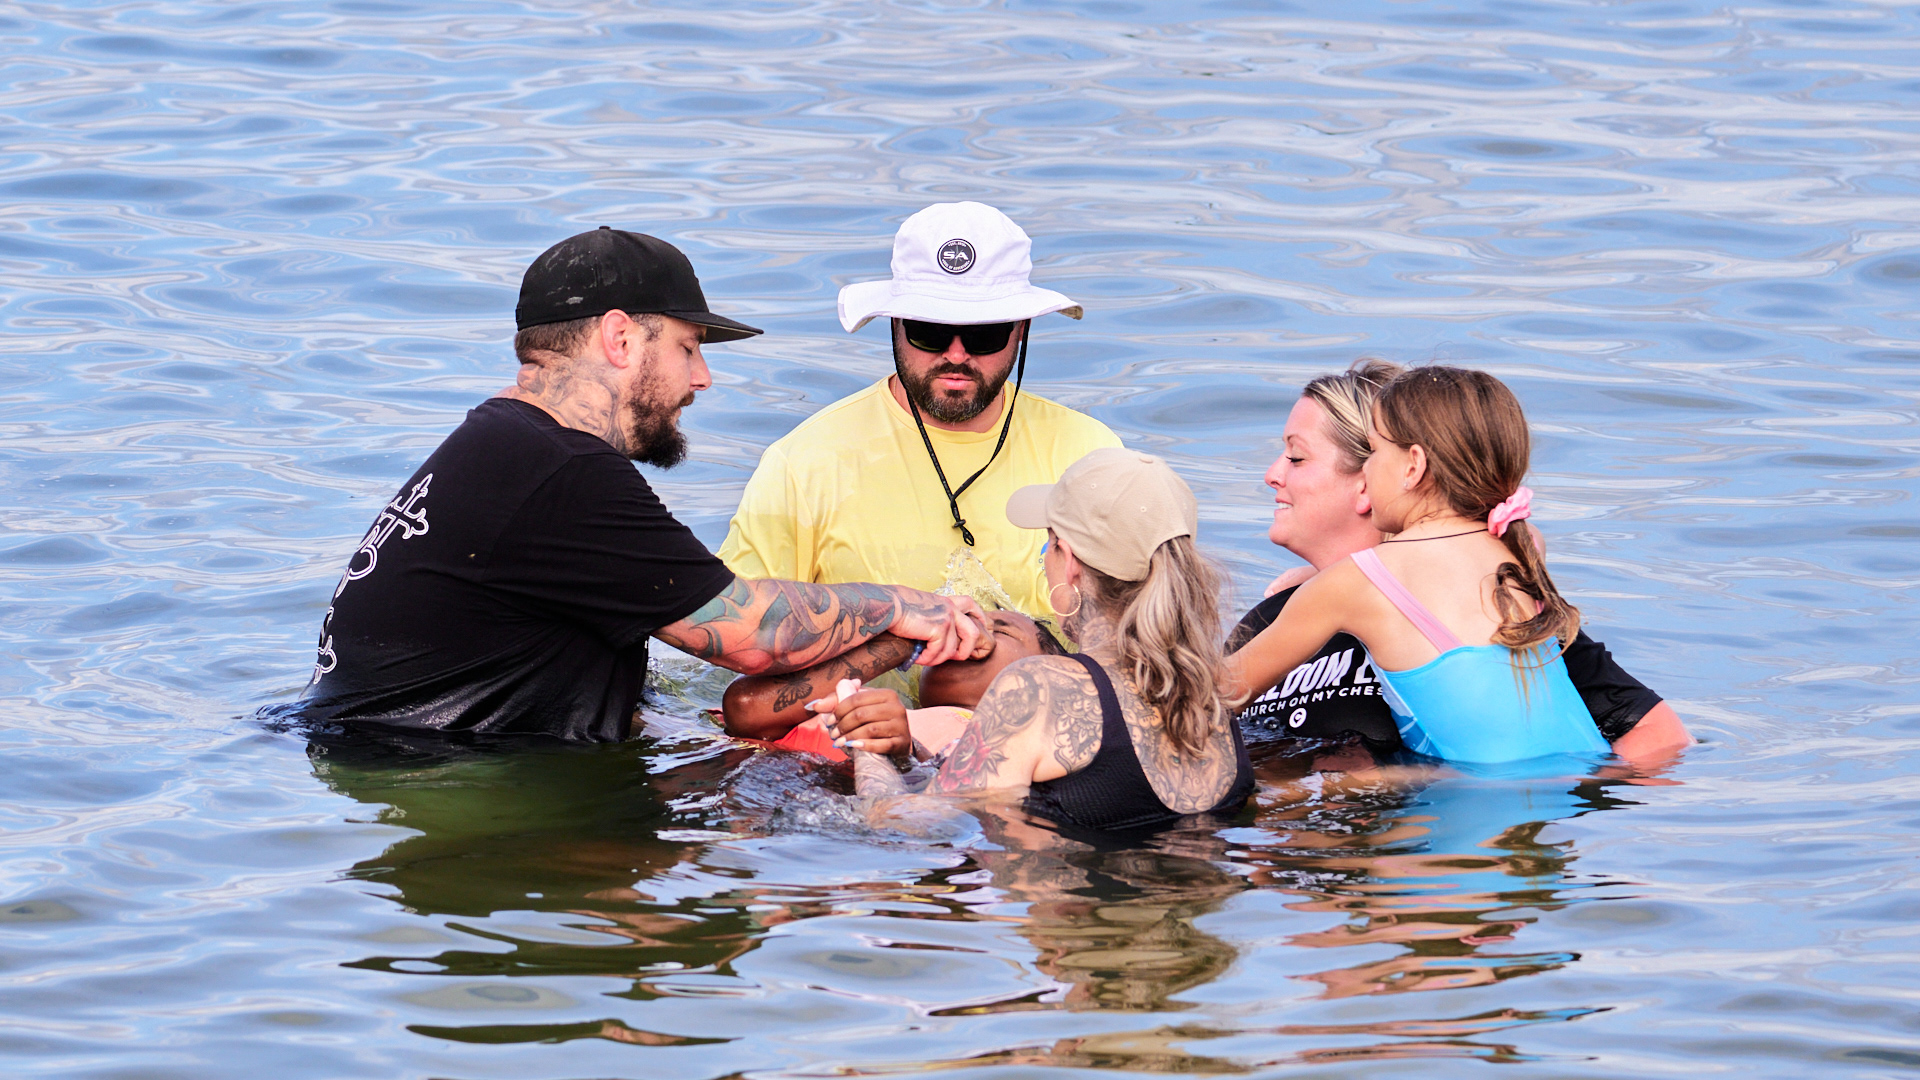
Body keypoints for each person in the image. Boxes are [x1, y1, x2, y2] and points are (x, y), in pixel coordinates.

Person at [294, 227, 983, 742]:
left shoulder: (500, 447)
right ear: (620, 339)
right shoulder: (561, 470)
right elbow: (753, 633)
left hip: (388, 757)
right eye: (689, 348)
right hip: (446, 779)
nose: (702, 379)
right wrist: (906, 606)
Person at [1230, 360, 1692, 762]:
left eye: (1374, 453)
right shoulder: (1512, 555)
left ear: (1413, 466)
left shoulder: (1351, 586)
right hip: (1560, 803)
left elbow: (1218, 693)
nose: (1368, 472)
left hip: (1469, 816)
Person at [717, 202, 1121, 632]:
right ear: (895, 324)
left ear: (1021, 329)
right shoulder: (803, 464)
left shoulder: (1091, 455)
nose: (956, 355)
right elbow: (739, 631)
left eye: (984, 334)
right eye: (929, 331)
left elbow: (1139, 634)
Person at [826, 447, 1255, 832]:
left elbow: (902, 826)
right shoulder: (1210, 700)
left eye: (1046, 549)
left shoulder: (1038, 689)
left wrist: (866, 748)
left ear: (1070, 563)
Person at [718, 609, 1066, 758]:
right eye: (964, 621)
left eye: (999, 630)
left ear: (1047, 684)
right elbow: (744, 706)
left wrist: (908, 756)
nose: (968, 630)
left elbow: (964, 803)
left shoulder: (1011, 745)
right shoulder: (871, 701)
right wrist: (902, 642)